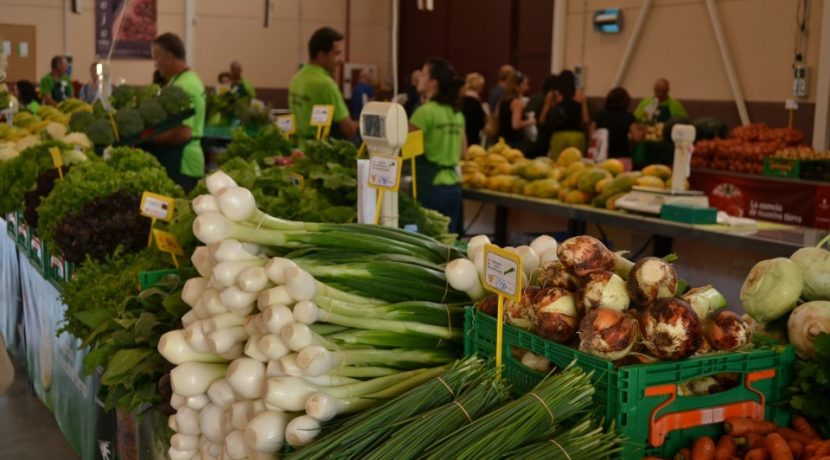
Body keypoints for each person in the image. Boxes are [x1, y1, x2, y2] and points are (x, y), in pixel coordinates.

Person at [409, 57, 466, 235]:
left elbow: (404, 150)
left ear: (434, 82)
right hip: (454, 187)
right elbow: (464, 152)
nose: (419, 78)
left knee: (429, 244)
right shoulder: (457, 113)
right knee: (449, 242)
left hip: (430, 187)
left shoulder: (424, 113)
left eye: (424, 74)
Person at [150, 32, 206, 191]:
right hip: (180, 158)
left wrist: (152, 139)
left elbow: (183, 132)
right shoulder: (180, 80)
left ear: (168, 57)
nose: (156, 63)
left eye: (157, 57)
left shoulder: (186, 85)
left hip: (184, 163)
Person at [289, 27, 358, 140]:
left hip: (299, 146)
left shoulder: (296, 78)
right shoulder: (326, 85)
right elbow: (348, 129)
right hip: (322, 150)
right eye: (336, 54)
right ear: (321, 55)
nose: (340, 60)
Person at [544, 70, 586, 157]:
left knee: (557, 165)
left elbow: (542, 118)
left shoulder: (553, 95)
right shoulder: (581, 96)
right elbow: (585, 119)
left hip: (558, 136)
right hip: (576, 135)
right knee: (576, 166)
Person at [592, 87, 639, 158]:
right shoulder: (629, 116)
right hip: (622, 157)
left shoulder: (598, 115)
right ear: (626, 102)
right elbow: (636, 137)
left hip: (601, 156)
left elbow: (592, 136)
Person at [495, 70, 534, 149]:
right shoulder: (517, 102)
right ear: (517, 85)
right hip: (514, 143)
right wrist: (530, 121)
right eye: (525, 84)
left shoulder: (503, 100)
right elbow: (516, 125)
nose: (527, 87)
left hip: (501, 140)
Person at [526, 74, 558, 157]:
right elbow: (543, 121)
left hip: (529, 137)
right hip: (542, 138)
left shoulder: (534, 98)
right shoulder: (549, 100)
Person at [461, 72, 486, 146]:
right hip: (472, 137)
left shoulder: (461, 99)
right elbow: (480, 123)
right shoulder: (475, 102)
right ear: (479, 86)